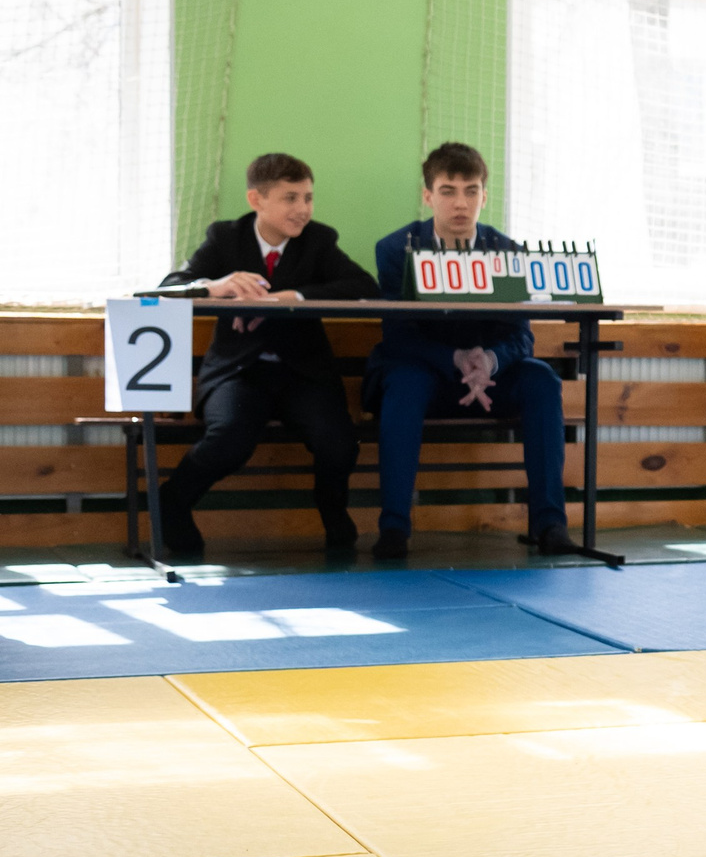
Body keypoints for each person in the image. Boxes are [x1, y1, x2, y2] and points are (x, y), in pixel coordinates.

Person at [155, 152, 378, 555]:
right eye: (290, 198)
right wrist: (214, 286)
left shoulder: (318, 241)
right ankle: (173, 502)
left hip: (302, 374)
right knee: (229, 439)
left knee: (338, 442)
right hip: (239, 372)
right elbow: (169, 287)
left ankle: (332, 510)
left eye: (308, 198)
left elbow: (364, 286)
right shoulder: (225, 238)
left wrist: (296, 297)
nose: (303, 209)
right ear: (256, 199)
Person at [367, 142, 570, 562]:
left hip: (489, 376)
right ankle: (394, 529)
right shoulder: (395, 249)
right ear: (428, 196)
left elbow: (520, 337)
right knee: (403, 383)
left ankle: (550, 525)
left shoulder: (507, 251)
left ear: (484, 196)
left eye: (471, 191)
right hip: (426, 371)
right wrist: (456, 359)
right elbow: (398, 335)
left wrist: (489, 361)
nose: (461, 203)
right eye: (448, 191)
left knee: (542, 381)